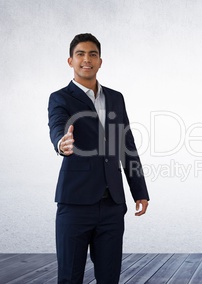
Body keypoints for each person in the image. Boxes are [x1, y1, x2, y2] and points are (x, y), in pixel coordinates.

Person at [48, 33, 149, 283]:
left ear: (100, 61)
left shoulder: (115, 98)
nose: (86, 59)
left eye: (92, 54)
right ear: (70, 61)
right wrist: (62, 142)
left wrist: (140, 191)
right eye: (80, 54)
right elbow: (58, 125)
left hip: (112, 207)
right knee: (70, 277)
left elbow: (127, 146)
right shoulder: (60, 98)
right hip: (75, 205)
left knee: (109, 277)